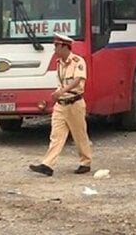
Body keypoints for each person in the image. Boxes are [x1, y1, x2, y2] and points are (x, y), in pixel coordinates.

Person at [30, 34, 92, 176]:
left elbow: (77, 80)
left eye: (57, 46)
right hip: (61, 104)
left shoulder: (78, 61)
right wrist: (58, 93)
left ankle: (85, 162)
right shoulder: (59, 63)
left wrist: (62, 91)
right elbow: (62, 82)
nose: (55, 50)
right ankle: (48, 165)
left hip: (74, 103)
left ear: (65, 46)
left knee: (79, 134)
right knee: (56, 135)